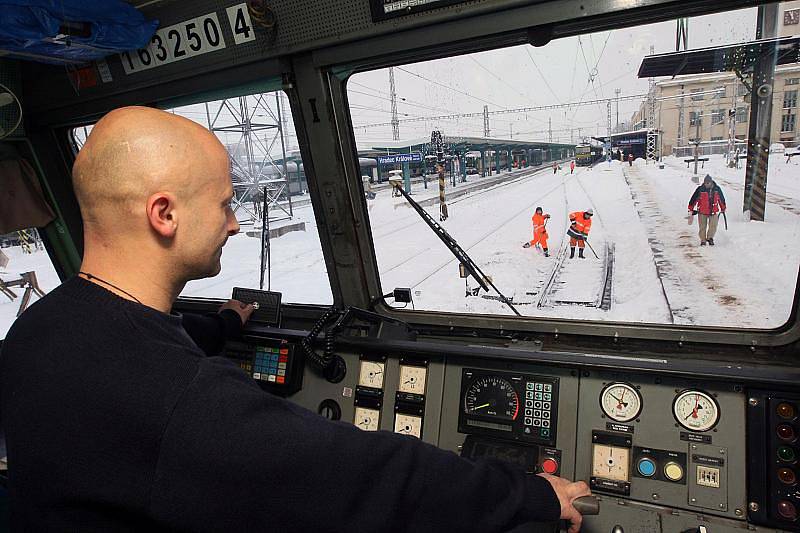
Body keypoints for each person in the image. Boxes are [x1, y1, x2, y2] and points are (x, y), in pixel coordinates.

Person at [0, 107, 591, 532]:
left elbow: (153, 341)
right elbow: (365, 477)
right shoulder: (184, 403)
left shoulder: (37, 332)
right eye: (226, 203)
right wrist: (529, 495)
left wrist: (227, 324)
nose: (235, 223)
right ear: (164, 213)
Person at [688, 174, 726, 246]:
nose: (706, 184)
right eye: (705, 183)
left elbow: (721, 199)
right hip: (702, 211)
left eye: (708, 183)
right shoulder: (700, 189)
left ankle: (710, 237)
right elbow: (693, 199)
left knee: (713, 226)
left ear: (711, 182)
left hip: (713, 211)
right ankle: (703, 240)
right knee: (702, 227)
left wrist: (723, 208)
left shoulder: (717, 189)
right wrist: (691, 208)